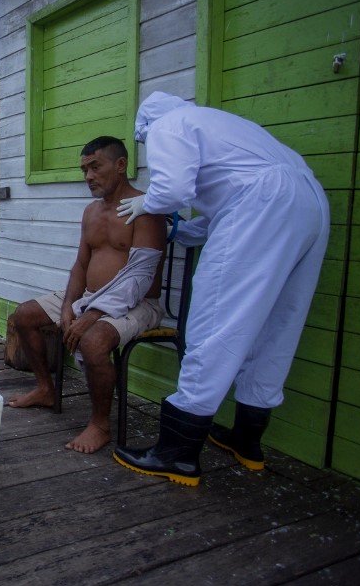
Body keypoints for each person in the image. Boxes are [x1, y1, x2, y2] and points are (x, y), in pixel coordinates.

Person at [113, 92, 330, 486]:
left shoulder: (168, 125)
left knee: (214, 324)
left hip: (263, 203)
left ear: (144, 128)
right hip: (309, 201)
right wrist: (185, 230)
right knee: (279, 325)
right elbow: (234, 212)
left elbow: (174, 190)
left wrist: (147, 204)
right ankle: (247, 442)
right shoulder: (227, 127)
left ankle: (177, 454)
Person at [7, 136, 166, 453]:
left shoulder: (147, 210)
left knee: (93, 341)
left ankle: (100, 425)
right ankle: (45, 389)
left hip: (137, 303)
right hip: (90, 298)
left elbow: (141, 278)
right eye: (84, 170)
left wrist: (91, 316)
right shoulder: (91, 212)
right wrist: (68, 306)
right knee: (23, 316)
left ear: (120, 165)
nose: (88, 176)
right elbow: (81, 265)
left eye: (95, 167)